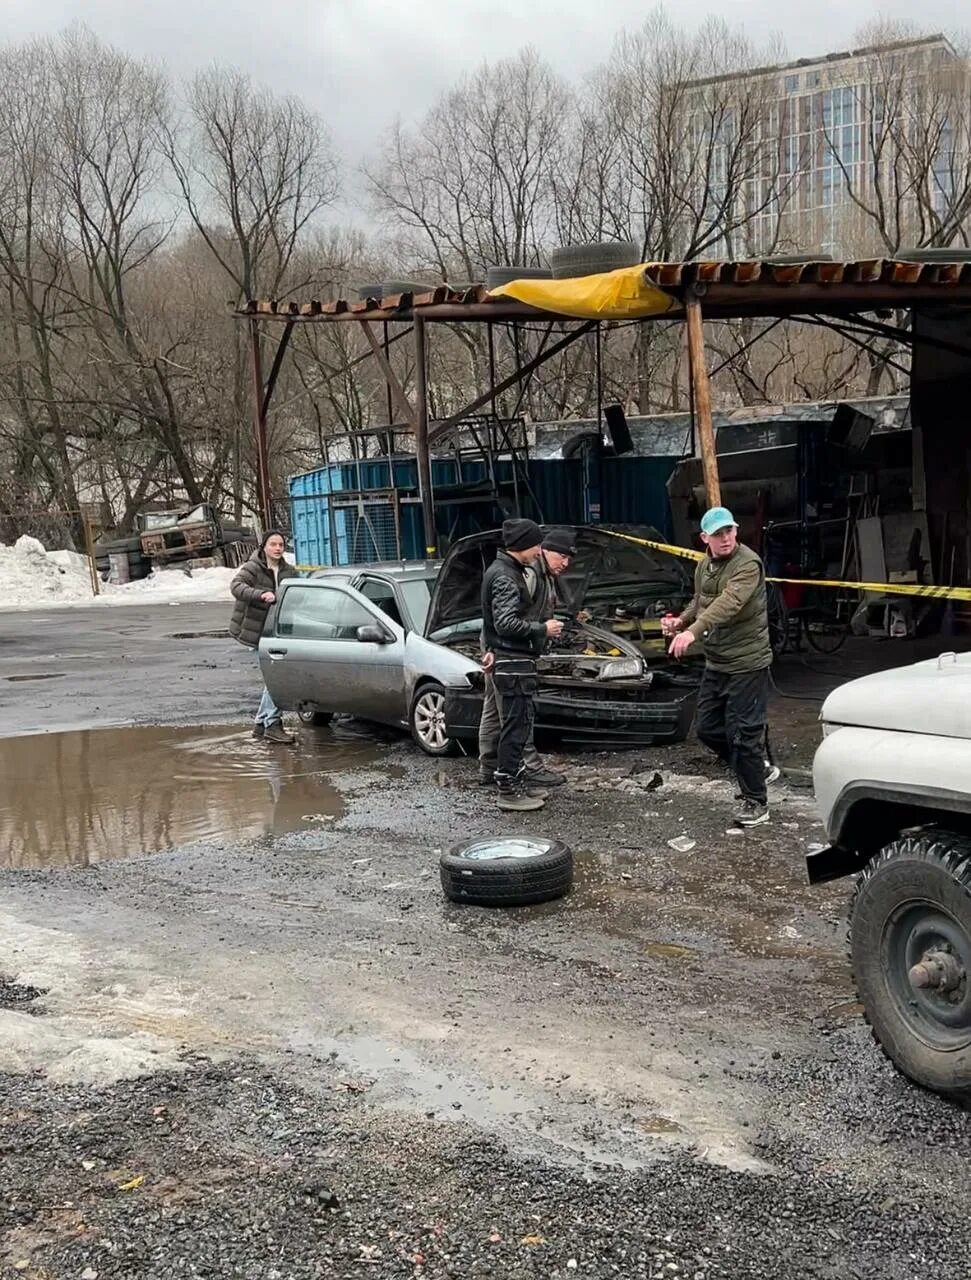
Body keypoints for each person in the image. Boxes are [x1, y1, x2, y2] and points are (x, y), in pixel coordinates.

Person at [662, 506, 776, 828]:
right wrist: (679, 621)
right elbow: (700, 601)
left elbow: (730, 603)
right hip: (718, 660)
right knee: (708, 729)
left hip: (747, 661)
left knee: (743, 733)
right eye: (717, 534)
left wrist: (692, 632)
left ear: (736, 532)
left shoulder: (748, 564)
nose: (725, 538)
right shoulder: (705, 565)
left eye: (729, 531)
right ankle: (754, 767)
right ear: (705, 538)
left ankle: (757, 801)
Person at [478, 527, 577, 791]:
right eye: (562, 557)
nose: (566, 563)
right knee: (516, 715)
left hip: (499, 647)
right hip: (509, 651)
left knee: (493, 709)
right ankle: (525, 770)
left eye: (569, 559)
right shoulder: (527, 573)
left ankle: (489, 768)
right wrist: (542, 630)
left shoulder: (532, 571)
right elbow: (506, 621)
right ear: (544, 550)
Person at [230, 530, 298, 744]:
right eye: (273, 544)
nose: (277, 548)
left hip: (277, 631)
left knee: (273, 677)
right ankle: (273, 724)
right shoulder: (253, 567)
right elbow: (236, 587)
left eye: (281, 545)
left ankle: (261, 724)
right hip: (257, 631)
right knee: (276, 678)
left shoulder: (289, 571)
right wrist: (260, 595)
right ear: (264, 547)